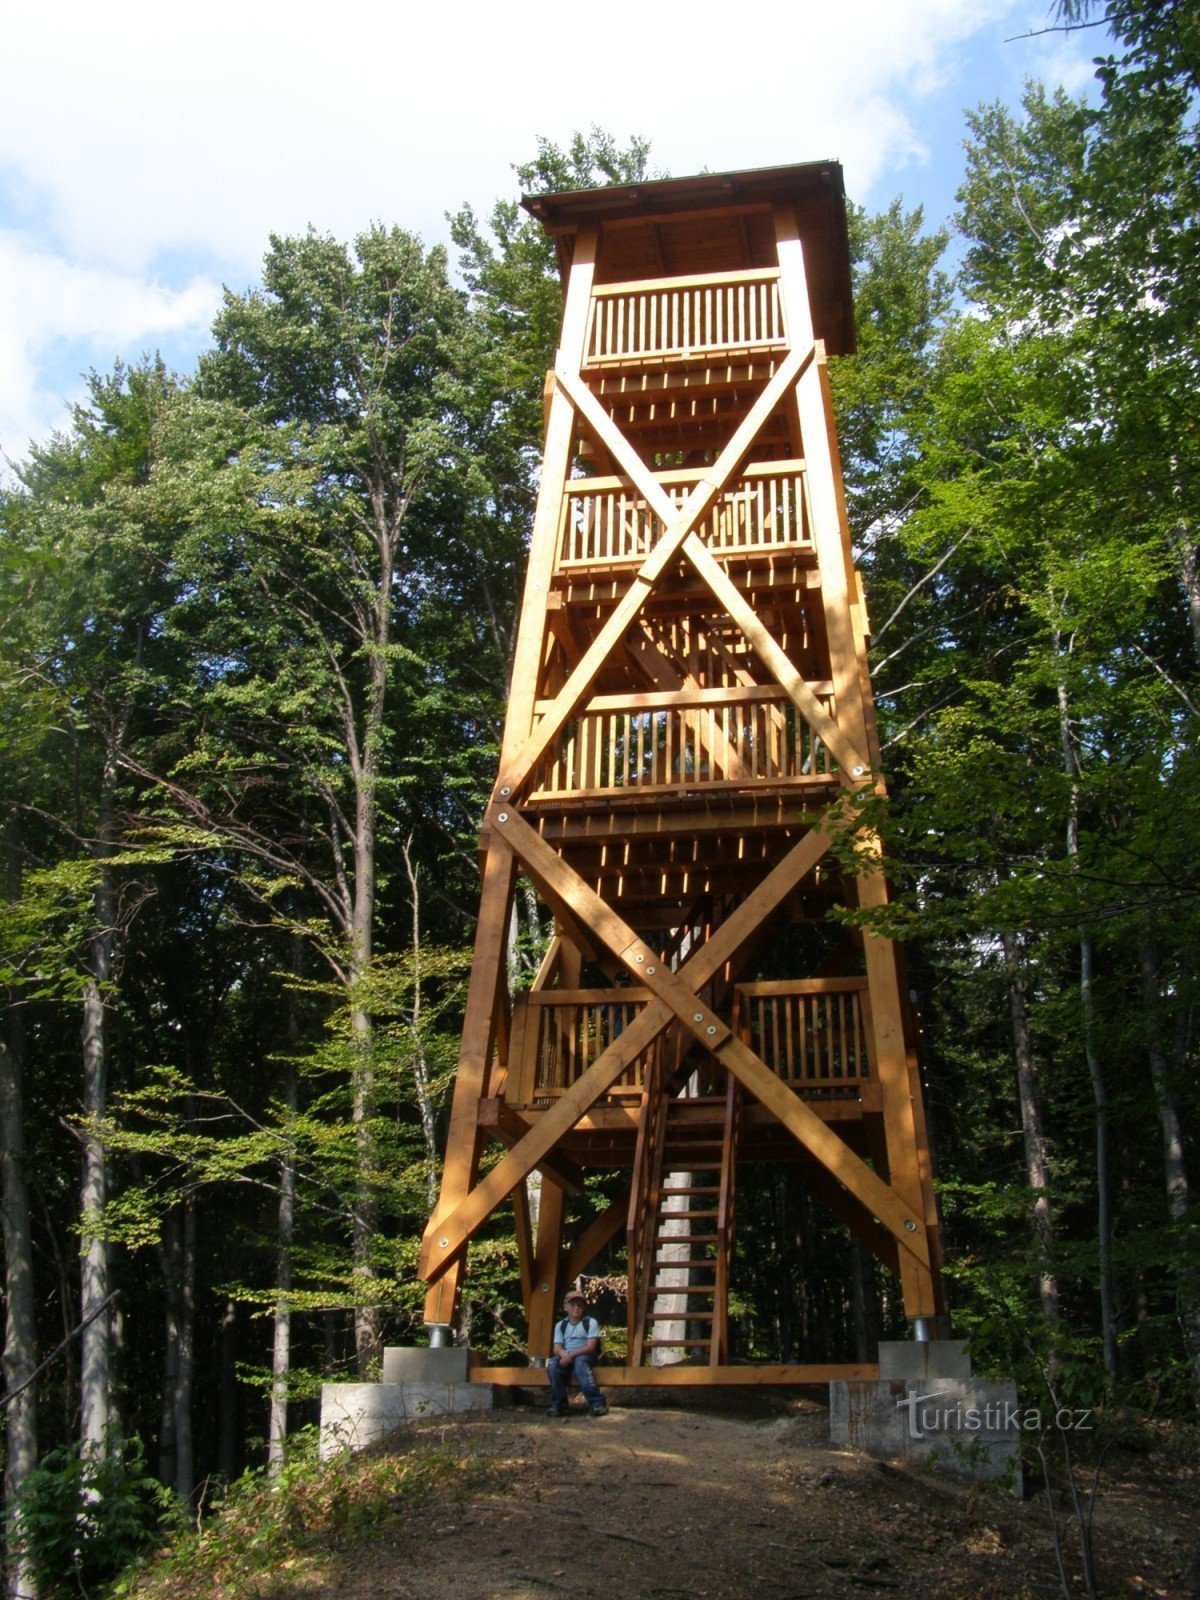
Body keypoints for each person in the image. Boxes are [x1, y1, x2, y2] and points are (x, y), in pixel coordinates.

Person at [548, 1290, 608, 1417]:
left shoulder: (590, 1322)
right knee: (553, 1365)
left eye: (580, 1305)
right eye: (573, 1304)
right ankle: (559, 1405)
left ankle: (597, 1403)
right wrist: (564, 1354)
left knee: (581, 1363)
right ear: (566, 1307)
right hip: (566, 1356)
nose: (576, 1308)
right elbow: (556, 1347)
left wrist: (571, 1355)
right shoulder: (560, 1325)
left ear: (584, 1308)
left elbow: (591, 1347)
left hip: (584, 1355)